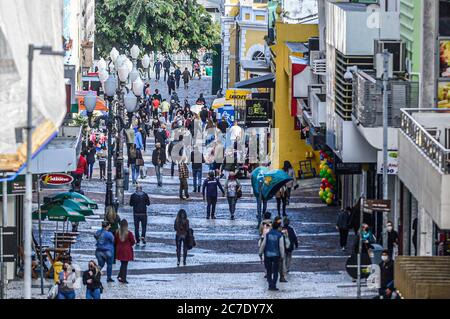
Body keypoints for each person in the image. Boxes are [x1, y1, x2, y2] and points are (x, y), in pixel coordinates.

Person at [259, 218, 285, 291]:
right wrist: (282, 256)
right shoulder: (280, 235)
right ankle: (273, 284)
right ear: (278, 227)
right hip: (276, 255)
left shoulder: (267, 235)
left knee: (269, 271)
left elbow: (263, 245)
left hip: (267, 254)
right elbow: (281, 247)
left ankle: (270, 284)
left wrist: (260, 253)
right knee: (275, 271)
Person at [115, 219, 135, 284]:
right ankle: (123, 278)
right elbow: (133, 242)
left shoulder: (117, 233)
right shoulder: (129, 233)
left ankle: (120, 275)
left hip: (119, 250)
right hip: (126, 250)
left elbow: (115, 242)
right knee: (125, 264)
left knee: (122, 263)